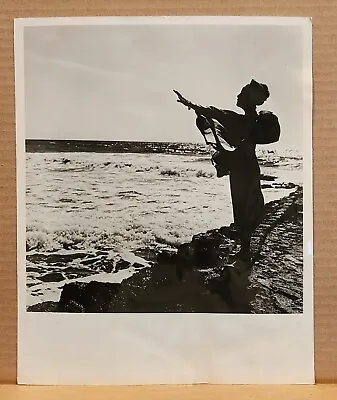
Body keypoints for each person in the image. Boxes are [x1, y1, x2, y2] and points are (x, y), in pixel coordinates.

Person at [174, 80, 281, 261]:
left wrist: (189, 104)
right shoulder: (253, 120)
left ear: (248, 99)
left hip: (241, 168)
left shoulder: (240, 119)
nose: (237, 96)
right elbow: (214, 112)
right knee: (249, 205)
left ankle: (245, 250)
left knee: (241, 207)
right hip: (250, 166)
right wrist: (190, 104)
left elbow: (212, 112)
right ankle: (245, 249)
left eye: (241, 94)